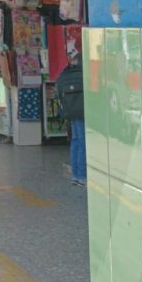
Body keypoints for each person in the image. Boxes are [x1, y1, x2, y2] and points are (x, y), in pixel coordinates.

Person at [55, 49, 85, 186]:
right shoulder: (85, 75)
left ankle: (75, 175)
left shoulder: (64, 75)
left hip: (70, 112)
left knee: (76, 141)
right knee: (84, 143)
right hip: (83, 111)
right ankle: (83, 176)